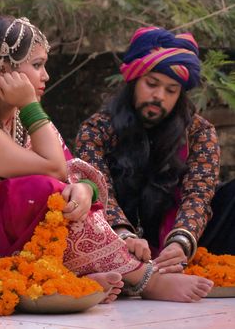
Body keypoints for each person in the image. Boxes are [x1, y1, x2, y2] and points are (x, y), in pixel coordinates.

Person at [0, 17, 213, 304]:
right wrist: (31, 105)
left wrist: (84, 190)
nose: (46, 76)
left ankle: (71, 276)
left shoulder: (18, 121)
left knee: (64, 196)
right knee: (32, 192)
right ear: (3, 70)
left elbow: (71, 172)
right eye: (37, 65)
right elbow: (53, 171)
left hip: (2, 251)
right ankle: (147, 280)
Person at [76, 26, 235, 276]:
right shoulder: (97, 129)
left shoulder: (199, 132)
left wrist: (181, 242)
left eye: (171, 90)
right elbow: (97, 189)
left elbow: (198, 195)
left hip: (185, 243)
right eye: (151, 84)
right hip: (114, 239)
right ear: (134, 79)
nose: (159, 96)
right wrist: (123, 235)